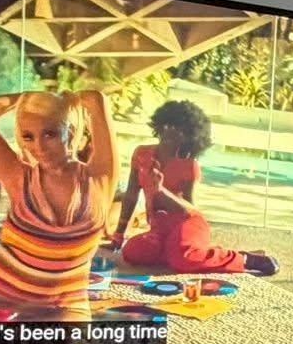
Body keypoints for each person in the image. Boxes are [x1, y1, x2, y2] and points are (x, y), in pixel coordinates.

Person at [0, 89, 117, 311]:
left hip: (65, 302)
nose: (39, 147)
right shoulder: (17, 177)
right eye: (28, 137)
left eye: (50, 134)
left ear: (70, 133)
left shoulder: (100, 176)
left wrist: (65, 100)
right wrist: (27, 97)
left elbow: (96, 99)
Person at [110, 99, 278, 276]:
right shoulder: (142, 154)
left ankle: (245, 259)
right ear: (160, 125)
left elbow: (190, 210)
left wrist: (161, 190)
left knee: (183, 259)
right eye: (168, 125)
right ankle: (192, 253)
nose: (170, 131)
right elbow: (131, 195)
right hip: (160, 229)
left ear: (189, 137)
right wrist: (119, 235)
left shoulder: (190, 166)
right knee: (133, 252)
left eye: (179, 129)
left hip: (187, 224)